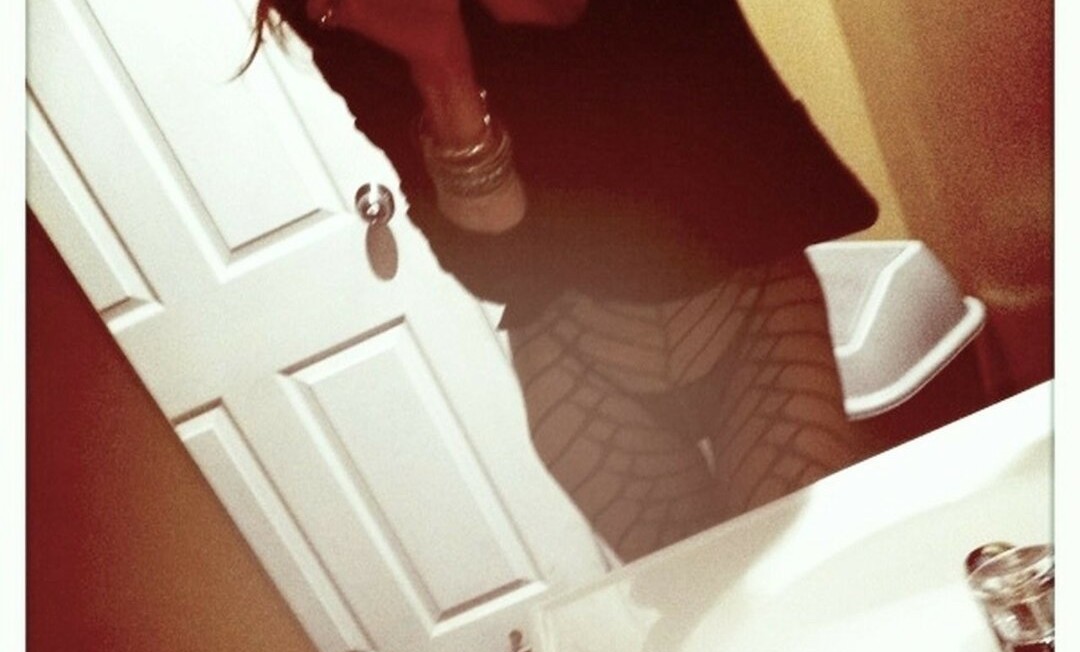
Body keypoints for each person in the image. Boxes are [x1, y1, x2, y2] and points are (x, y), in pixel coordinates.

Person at [246, 0, 882, 561]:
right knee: (706, 620)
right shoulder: (350, 13)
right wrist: (440, 62)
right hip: (582, 360)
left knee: (821, 583)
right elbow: (494, 265)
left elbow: (698, 113)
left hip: (749, 304)